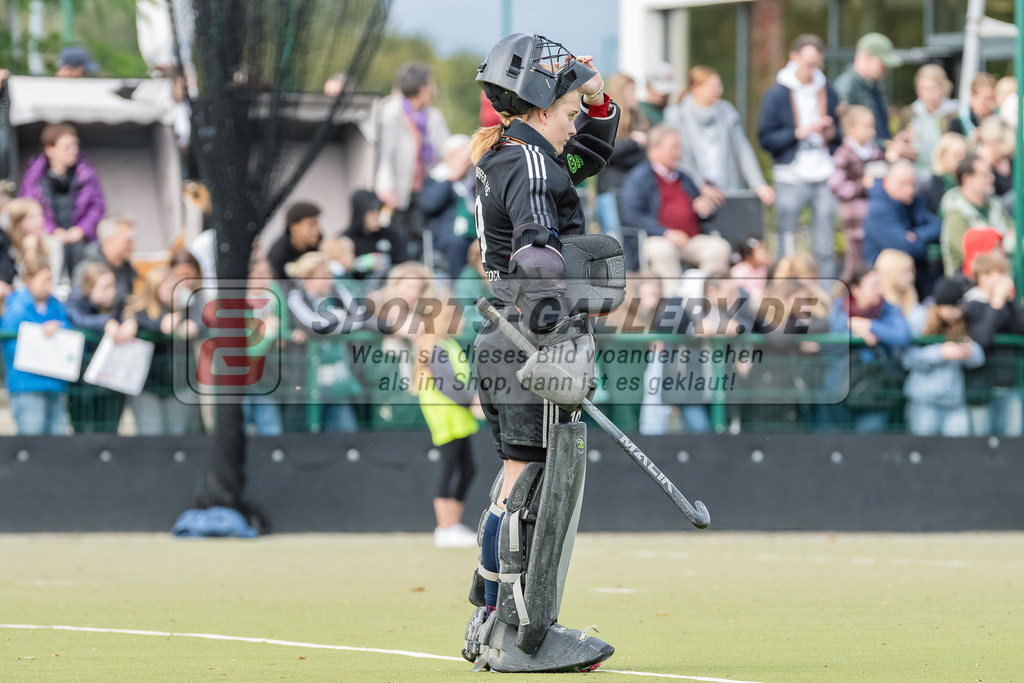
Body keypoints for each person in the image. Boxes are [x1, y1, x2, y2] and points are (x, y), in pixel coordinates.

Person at [462, 33, 620, 672]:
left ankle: (489, 617)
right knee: (533, 489)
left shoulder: (532, 154)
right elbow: (535, 253)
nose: (579, 107)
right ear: (538, 102)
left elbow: (592, 153)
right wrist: (559, 339)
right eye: (572, 97)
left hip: (508, 335)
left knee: (515, 482)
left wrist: (600, 96)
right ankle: (522, 632)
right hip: (530, 337)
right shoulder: (527, 163)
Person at [758, 34, 841, 277]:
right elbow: (765, 138)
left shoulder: (827, 91)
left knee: (825, 243)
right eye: (808, 64)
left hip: (823, 170)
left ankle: (823, 294)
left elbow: (839, 134)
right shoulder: (777, 93)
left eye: (817, 64)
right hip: (791, 173)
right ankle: (785, 289)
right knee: (786, 240)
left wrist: (830, 131)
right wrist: (797, 133)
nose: (812, 70)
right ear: (794, 58)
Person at [619, 125, 731, 281]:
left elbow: (703, 211)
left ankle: (704, 295)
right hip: (656, 239)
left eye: (679, 148)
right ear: (654, 149)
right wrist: (666, 232)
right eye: (673, 147)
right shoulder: (638, 178)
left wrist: (705, 210)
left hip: (690, 240)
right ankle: (672, 300)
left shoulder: (685, 178)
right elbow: (632, 215)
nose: (678, 153)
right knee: (663, 251)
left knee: (720, 248)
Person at [411, 294, 480, 548]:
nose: (461, 321)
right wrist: (472, 401)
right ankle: (444, 527)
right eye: (456, 317)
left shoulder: (447, 344)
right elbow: (448, 385)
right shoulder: (435, 347)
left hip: (456, 414)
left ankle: (453, 524)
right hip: (447, 414)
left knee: (467, 468)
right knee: (450, 467)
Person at [665, 65, 773, 205]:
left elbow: (742, 150)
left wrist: (758, 184)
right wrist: (699, 186)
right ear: (697, 88)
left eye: (719, 87)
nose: (719, 91)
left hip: (726, 192)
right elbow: (678, 160)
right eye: (713, 87)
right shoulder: (676, 116)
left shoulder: (726, 112)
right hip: (691, 195)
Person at [375, 61, 450, 262]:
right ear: (421, 87)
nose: (434, 90)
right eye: (430, 84)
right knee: (397, 238)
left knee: (421, 240)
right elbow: (385, 155)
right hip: (398, 190)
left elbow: (444, 150)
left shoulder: (433, 116)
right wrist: (385, 188)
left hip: (423, 190)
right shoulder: (392, 113)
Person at [828, 266, 911, 432]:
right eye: (874, 285)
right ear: (856, 290)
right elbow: (832, 337)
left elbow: (902, 335)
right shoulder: (839, 308)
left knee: (868, 444)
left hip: (875, 391)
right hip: (840, 387)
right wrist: (857, 334)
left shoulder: (888, 308)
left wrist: (869, 325)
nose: (879, 290)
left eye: (880, 285)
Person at [124, 261, 204, 435]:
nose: (174, 293)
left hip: (180, 385)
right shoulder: (139, 313)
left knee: (177, 436)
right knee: (152, 434)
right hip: (147, 386)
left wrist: (191, 325)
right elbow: (137, 318)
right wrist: (160, 323)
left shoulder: (188, 306)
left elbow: (203, 318)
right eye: (168, 289)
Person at [19, 123, 106, 276]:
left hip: (81, 241)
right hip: (48, 241)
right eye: (67, 146)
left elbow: (97, 206)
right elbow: (26, 209)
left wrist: (81, 230)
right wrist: (51, 230)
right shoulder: (34, 178)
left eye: (75, 145)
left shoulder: (86, 174)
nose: (74, 150)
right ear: (50, 150)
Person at [0, 257, 72, 435]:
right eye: (44, 280)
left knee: (58, 438)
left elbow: (71, 331)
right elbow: (10, 345)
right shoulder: (15, 307)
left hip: (55, 383)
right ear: (28, 280)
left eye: (50, 280)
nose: (48, 286)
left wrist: (60, 328)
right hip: (27, 385)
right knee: (32, 439)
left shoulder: (56, 305)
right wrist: (39, 337)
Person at [902, 277, 982, 436]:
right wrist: (941, 353)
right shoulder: (919, 318)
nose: (954, 312)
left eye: (957, 307)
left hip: (953, 402)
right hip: (923, 401)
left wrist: (968, 352)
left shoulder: (962, 321)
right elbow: (906, 358)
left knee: (958, 451)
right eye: (950, 307)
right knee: (923, 452)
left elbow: (979, 357)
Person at [66, 261, 137, 433]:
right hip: (82, 381)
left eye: (112, 286)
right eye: (105, 287)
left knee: (110, 429)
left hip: (112, 379)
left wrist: (131, 321)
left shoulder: (119, 303)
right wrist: (105, 322)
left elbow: (136, 313)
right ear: (90, 288)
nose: (111, 292)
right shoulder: (75, 300)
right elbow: (77, 318)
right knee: (83, 430)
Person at [961, 253, 1024, 436]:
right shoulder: (970, 303)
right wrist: (996, 303)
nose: (1003, 279)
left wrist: (1009, 302)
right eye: (997, 273)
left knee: (1013, 440)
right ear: (983, 276)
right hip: (982, 387)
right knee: (981, 442)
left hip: (1009, 385)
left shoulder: (1007, 303)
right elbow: (982, 338)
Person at [862, 161, 942, 296]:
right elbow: (905, 246)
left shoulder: (913, 201)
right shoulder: (878, 210)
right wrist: (919, 241)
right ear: (887, 181)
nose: (909, 190)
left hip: (917, 276)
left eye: (912, 184)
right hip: (887, 285)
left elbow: (939, 227)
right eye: (903, 184)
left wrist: (917, 235)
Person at [828, 105, 888, 281]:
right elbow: (837, 186)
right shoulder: (843, 154)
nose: (871, 131)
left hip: (875, 218)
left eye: (872, 126)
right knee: (856, 265)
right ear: (851, 129)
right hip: (855, 220)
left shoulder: (876, 153)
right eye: (866, 126)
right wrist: (861, 184)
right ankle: (847, 299)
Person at [596, 73, 649, 248]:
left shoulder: (638, 119)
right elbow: (606, 152)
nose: (635, 96)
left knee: (633, 241)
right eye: (631, 91)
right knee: (615, 241)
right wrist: (633, 142)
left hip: (632, 191)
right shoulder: (607, 118)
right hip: (611, 191)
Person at [939, 153, 1013, 277]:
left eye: (991, 173)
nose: (991, 179)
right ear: (967, 179)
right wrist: (1005, 242)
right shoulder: (956, 215)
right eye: (985, 175)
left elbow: (1015, 233)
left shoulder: (995, 206)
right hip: (969, 284)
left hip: (1002, 275)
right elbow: (978, 257)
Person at [419, 134, 475, 275]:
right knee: (457, 244)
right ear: (449, 156)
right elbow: (428, 205)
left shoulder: (474, 180)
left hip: (474, 232)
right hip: (447, 236)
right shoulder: (436, 178)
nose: (467, 159)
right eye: (463, 155)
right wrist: (452, 177)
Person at [833, 33, 903, 145]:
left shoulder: (875, 86)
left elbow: (881, 129)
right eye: (883, 64)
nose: (887, 69)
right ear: (867, 57)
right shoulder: (846, 88)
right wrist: (888, 146)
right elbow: (848, 137)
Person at [898, 64, 959, 182]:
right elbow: (899, 142)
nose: (928, 94)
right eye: (924, 89)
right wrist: (905, 139)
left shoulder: (954, 113)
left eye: (933, 89)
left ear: (943, 88)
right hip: (916, 172)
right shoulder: (910, 113)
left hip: (944, 173)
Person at [72, 215, 137, 312]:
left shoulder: (127, 268)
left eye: (132, 240)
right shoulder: (87, 269)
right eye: (127, 241)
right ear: (108, 241)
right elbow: (78, 311)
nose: (132, 245)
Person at [344, 189, 406, 270]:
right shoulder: (346, 239)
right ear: (360, 212)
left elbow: (404, 265)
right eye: (371, 210)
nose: (377, 214)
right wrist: (360, 263)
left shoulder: (390, 235)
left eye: (379, 209)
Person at [874, 248, 927, 335]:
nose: (911, 277)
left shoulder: (912, 301)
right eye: (905, 272)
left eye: (911, 272)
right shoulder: (878, 303)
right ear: (890, 272)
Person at [267, 201, 323, 280]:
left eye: (317, 224)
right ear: (294, 227)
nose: (316, 230)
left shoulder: (318, 239)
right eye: (311, 225)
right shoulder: (278, 255)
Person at [922, 132, 968, 215]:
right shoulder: (936, 183)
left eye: (965, 155)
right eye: (958, 155)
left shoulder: (967, 180)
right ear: (943, 156)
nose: (963, 159)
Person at [948, 73, 997, 137]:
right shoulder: (958, 122)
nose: (990, 103)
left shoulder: (998, 118)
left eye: (992, 98)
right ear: (973, 97)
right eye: (986, 98)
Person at [639, 61, 675, 126]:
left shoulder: (670, 113)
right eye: (662, 91)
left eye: (668, 91)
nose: (665, 95)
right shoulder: (640, 111)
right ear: (648, 87)